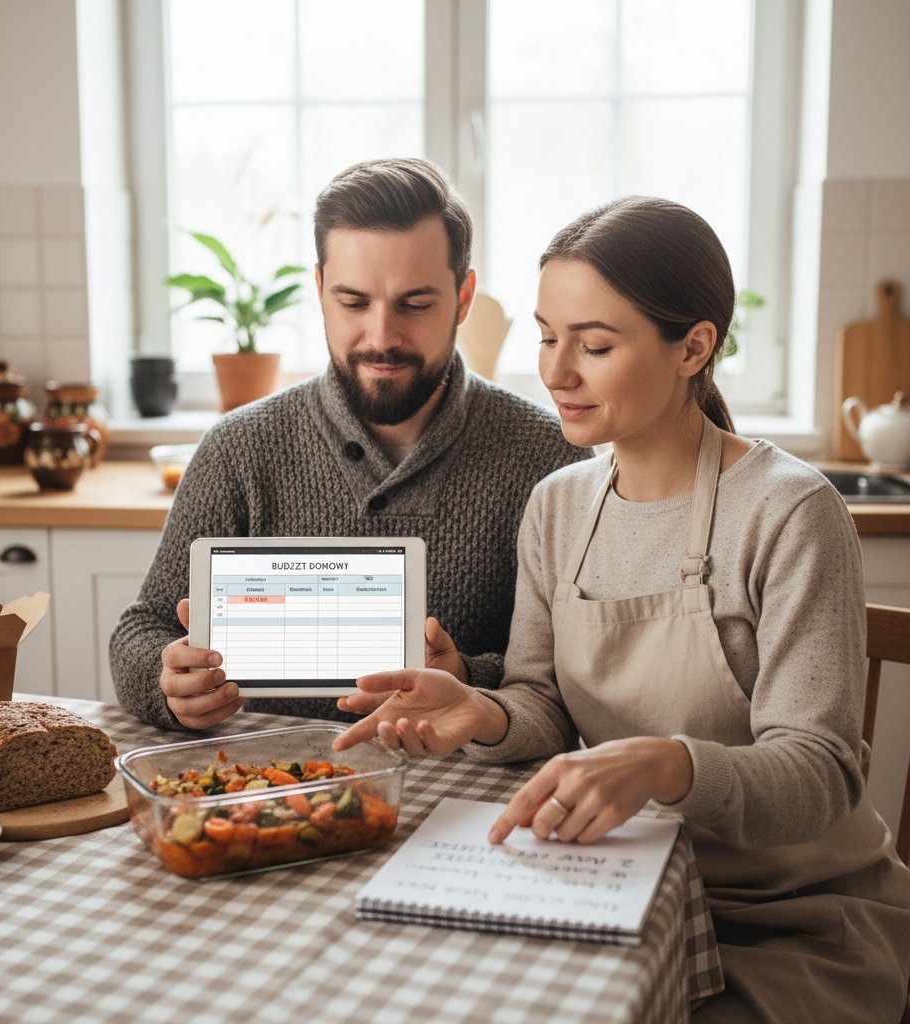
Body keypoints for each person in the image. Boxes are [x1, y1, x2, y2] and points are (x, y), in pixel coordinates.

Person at [334, 196, 910, 1022]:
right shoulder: (559, 506)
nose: (556, 372)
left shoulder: (789, 511)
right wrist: (482, 712)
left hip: (790, 921)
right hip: (619, 891)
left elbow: (821, 773)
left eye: (595, 345)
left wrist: (667, 763)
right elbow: (541, 704)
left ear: (695, 347)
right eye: (546, 335)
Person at [110, 157, 590, 732]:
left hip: (470, 800)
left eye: (415, 304)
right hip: (262, 786)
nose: (382, 337)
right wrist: (169, 685)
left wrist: (464, 677)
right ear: (319, 290)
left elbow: (568, 680)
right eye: (354, 303)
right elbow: (143, 629)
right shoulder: (240, 449)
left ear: (464, 297)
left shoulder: (550, 459)